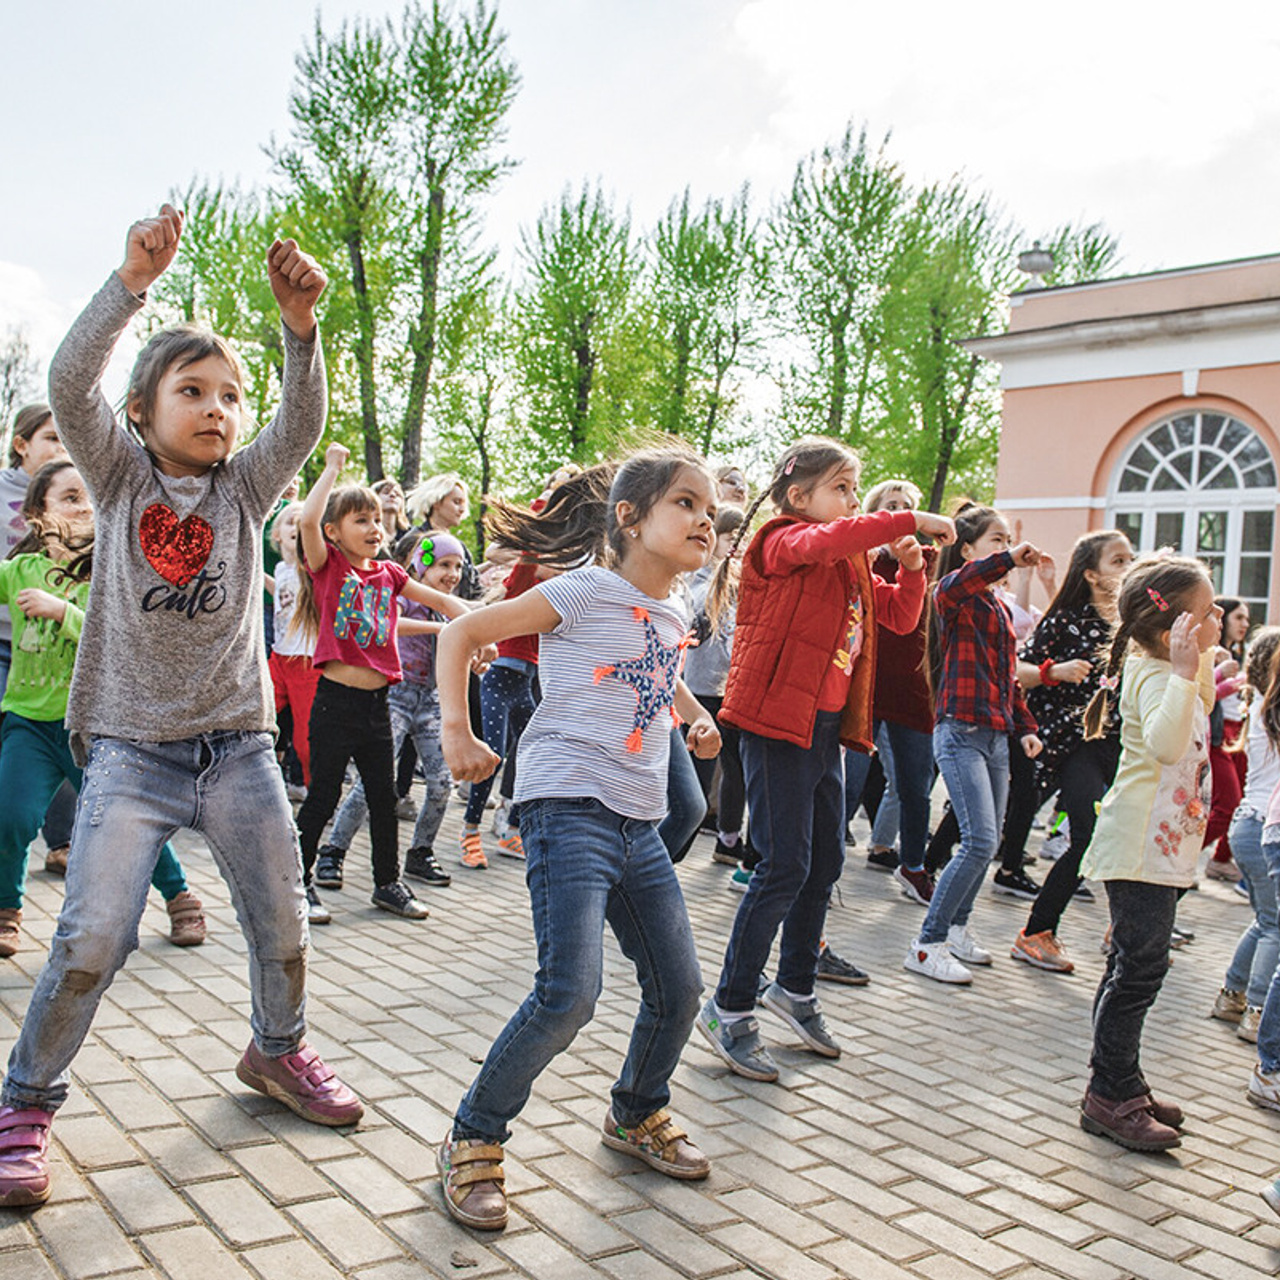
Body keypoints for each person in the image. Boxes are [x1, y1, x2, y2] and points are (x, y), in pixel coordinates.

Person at [0, 205, 364, 1209]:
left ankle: (277, 1049)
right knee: (91, 934)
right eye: (191, 390)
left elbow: (301, 424)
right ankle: (25, 1099)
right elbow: (68, 381)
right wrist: (129, 285)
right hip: (128, 750)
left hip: (238, 750)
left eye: (228, 395)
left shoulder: (245, 491)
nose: (216, 407)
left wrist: (300, 332)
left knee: (283, 917)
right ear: (142, 409)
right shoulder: (115, 480)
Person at [435, 448, 721, 1231]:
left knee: (680, 989)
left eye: (710, 509)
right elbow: (459, 633)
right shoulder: (586, 589)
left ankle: (635, 1111)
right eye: (686, 503)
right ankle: (474, 1135)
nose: (706, 519)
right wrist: (457, 732)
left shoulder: (673, 608)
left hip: (639, 822)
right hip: (568, 810)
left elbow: (652, 669)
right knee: (570, 995)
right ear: (629, 518)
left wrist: (690, 714)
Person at [698, 436, 954, 1080]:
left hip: (823, 724)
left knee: (825, 862)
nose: (848, 500)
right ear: (797, 496)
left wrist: (913, 567)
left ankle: (795, 989)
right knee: (783, 864)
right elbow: (819, 542)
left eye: (851, 489)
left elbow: (897, 617)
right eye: (841, 488)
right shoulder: (778, 541)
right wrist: (905, 519)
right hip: (775, 719)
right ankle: (728, 1007)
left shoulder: (849, 564)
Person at [0, 460, 206, 957]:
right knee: (9, 815)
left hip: (96, 725)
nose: (85, 506)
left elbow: (122, 633)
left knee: (126, 818)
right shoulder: (19, 570)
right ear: (35, 515)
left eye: (91, 496)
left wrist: (63, 611)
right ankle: (6, 909)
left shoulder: (113, 570)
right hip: (28, 723)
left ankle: (180, 898)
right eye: (70, 497)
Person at [291, 442, 473, 924]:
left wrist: (480, 631)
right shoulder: (329, 567)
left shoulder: (391, 574)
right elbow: (309, 522)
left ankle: (387, 883)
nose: (375, 529)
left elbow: (444, 604)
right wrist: (331, 468)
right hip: (336, 703)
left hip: (378, 705)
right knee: (324, 796)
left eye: (376, 521)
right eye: (361, 521)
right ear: (335, 532)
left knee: (383, 795)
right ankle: (299, 882)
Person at [1075, 555, 1219, 1150]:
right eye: (1208, 614)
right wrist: (1185, 670)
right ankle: (1111, 1095)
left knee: (1132, 968)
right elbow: (1164, 746)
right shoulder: (1157, 675)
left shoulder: (1166, 668)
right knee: (1138, 973)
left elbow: (1200, 710)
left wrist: (1196, 663)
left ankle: (1122, 1078)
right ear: (1172, 632)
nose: (1218, 620)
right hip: (1138, 848)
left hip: (1158, 849)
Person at [905, 504, 1042, 985]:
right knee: (979, 839)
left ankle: (958, 930)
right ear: (967, 550)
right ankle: (927, 944)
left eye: (1007, 540)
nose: (1005, 548)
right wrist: (1010, 561)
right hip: (959, 731)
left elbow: (1010, 681)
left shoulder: (1000, 609)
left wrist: (1025, 727)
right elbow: (957, 583)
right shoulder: (953, 595)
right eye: (996, 540)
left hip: (996, 735)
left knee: (986, 842)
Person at [1009, 531, 1134, 972]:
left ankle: (1126, 929)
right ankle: (1036, 932)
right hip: (1071, 744)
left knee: (1129, 836)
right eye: (1118, 561)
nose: (1128, 567)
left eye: (1131, 559)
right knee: (1088, 837)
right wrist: (1054, 671)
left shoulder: (1133, 628)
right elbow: (1017, 672)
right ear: (1092, 575)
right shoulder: (1068, 620)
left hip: (1121, 747)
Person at [315, 529, 461, 893]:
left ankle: (420, 852)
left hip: (428, 703)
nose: (452, 573)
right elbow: (390, 625)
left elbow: (453, 645)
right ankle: (333, 851)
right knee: (373, 786)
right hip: (394, 697)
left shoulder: (445, 609)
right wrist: (441, 628)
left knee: (443, 782)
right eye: (444, 564)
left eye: (458, 566)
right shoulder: (401, 594)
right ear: (422, 565)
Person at [0, 405, 77, 873]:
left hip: (55, 641)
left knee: (57, 733)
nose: (60, 448)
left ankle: (62, 840)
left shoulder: (74, 495)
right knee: (19, 743)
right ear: (21, 444)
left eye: (66, 440)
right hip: (4, 637)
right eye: (51, 438)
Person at [858, 479, 939, 905]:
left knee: (915, 786)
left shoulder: (926, 561)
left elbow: (968, 569)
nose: (902, 511)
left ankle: (914, 867)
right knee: (846, 785)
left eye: (909, 505)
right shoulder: (860, 561)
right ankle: (826, 866)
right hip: (863, 688)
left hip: (912, 689)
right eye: (893, 505)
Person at [1209, 628, 1280, 1039]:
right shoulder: (1271, 711)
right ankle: (1255, 1009)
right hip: (1262, 828)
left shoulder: (1260, 708)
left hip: (1249, 827)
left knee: (1265, 921)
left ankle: (1232, 995)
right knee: (1274, 926)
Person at [265, 501, 318, 795]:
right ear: (277, 534)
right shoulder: (281, 568)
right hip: (279, 657)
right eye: (290, 522)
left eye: (304, 523)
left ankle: (317, 790)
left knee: (305, 739)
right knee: (258, 714)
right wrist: (260, 578)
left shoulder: (311, 568)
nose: (297, 527)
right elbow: (285, 595)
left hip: (306, 663)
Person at [1204, 597, 1251, 880]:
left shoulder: (1241, 654)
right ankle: (1184, 857)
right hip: (1218, 735)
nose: (1245, 624)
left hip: (1240, 733)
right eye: (1239, 618)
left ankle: (1221, 858)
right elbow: (1202, 697)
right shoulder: (1212, 652)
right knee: (1228, 804)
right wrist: (1230, 680)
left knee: (1245, 804)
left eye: (1246, 619)